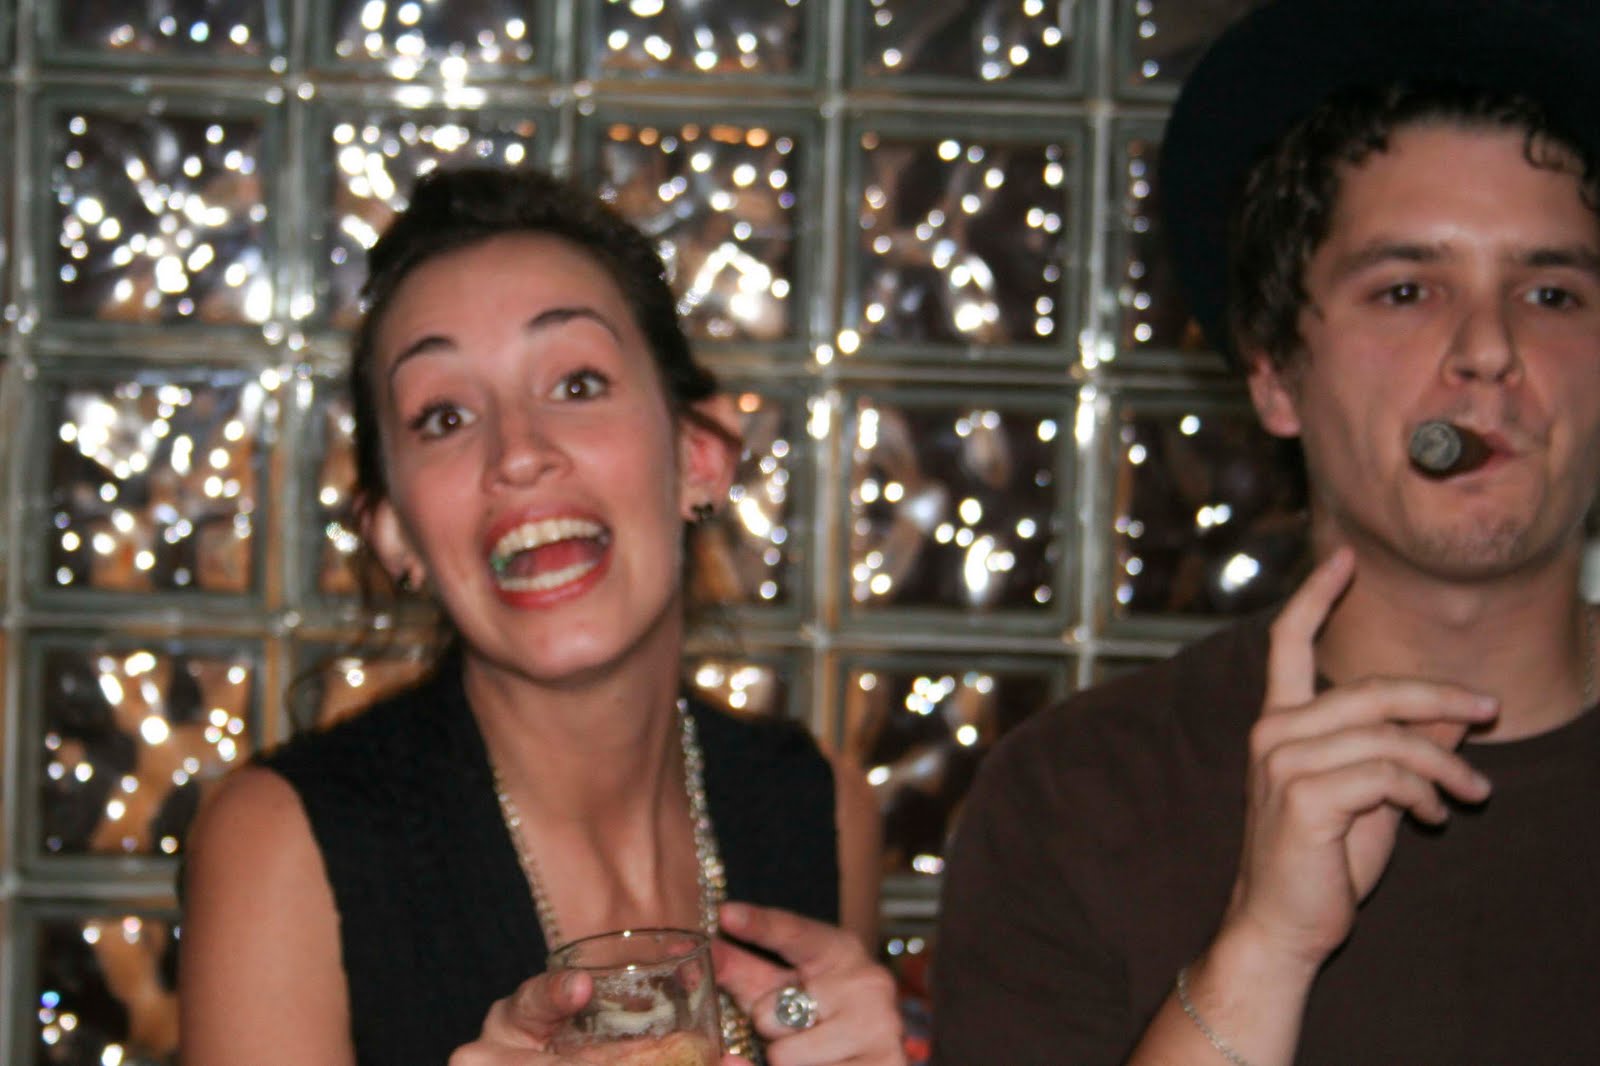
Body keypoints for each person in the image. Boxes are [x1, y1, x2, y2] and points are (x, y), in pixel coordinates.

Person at [933, 1, 1600, 1063]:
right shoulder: (1078, 794)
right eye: (1406, 291)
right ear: (1275, 376)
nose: (1488, 349)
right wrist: (1267, 948)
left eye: (1552, 293)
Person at [178, 166, 904, 1066]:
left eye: (577, 384)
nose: (517, 453)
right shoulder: (280, 846)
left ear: (699, 456)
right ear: (394, 531)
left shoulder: (820, 811)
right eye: (444, 416)